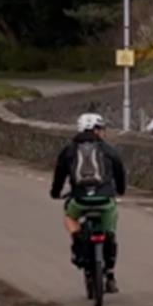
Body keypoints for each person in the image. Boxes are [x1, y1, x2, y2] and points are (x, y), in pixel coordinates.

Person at [49, 112, 127, 292]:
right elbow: (119, 171)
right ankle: (110, 274)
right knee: (110, 231)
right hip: (105, 199)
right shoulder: (108, 149)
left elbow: (59, 175)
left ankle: (78, 241)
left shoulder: (69, 150)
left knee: (70, 216)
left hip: (79, 199)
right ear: (96, 130)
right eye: (101, 129)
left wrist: (55, 193)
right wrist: (120, 190)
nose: (103, 132)